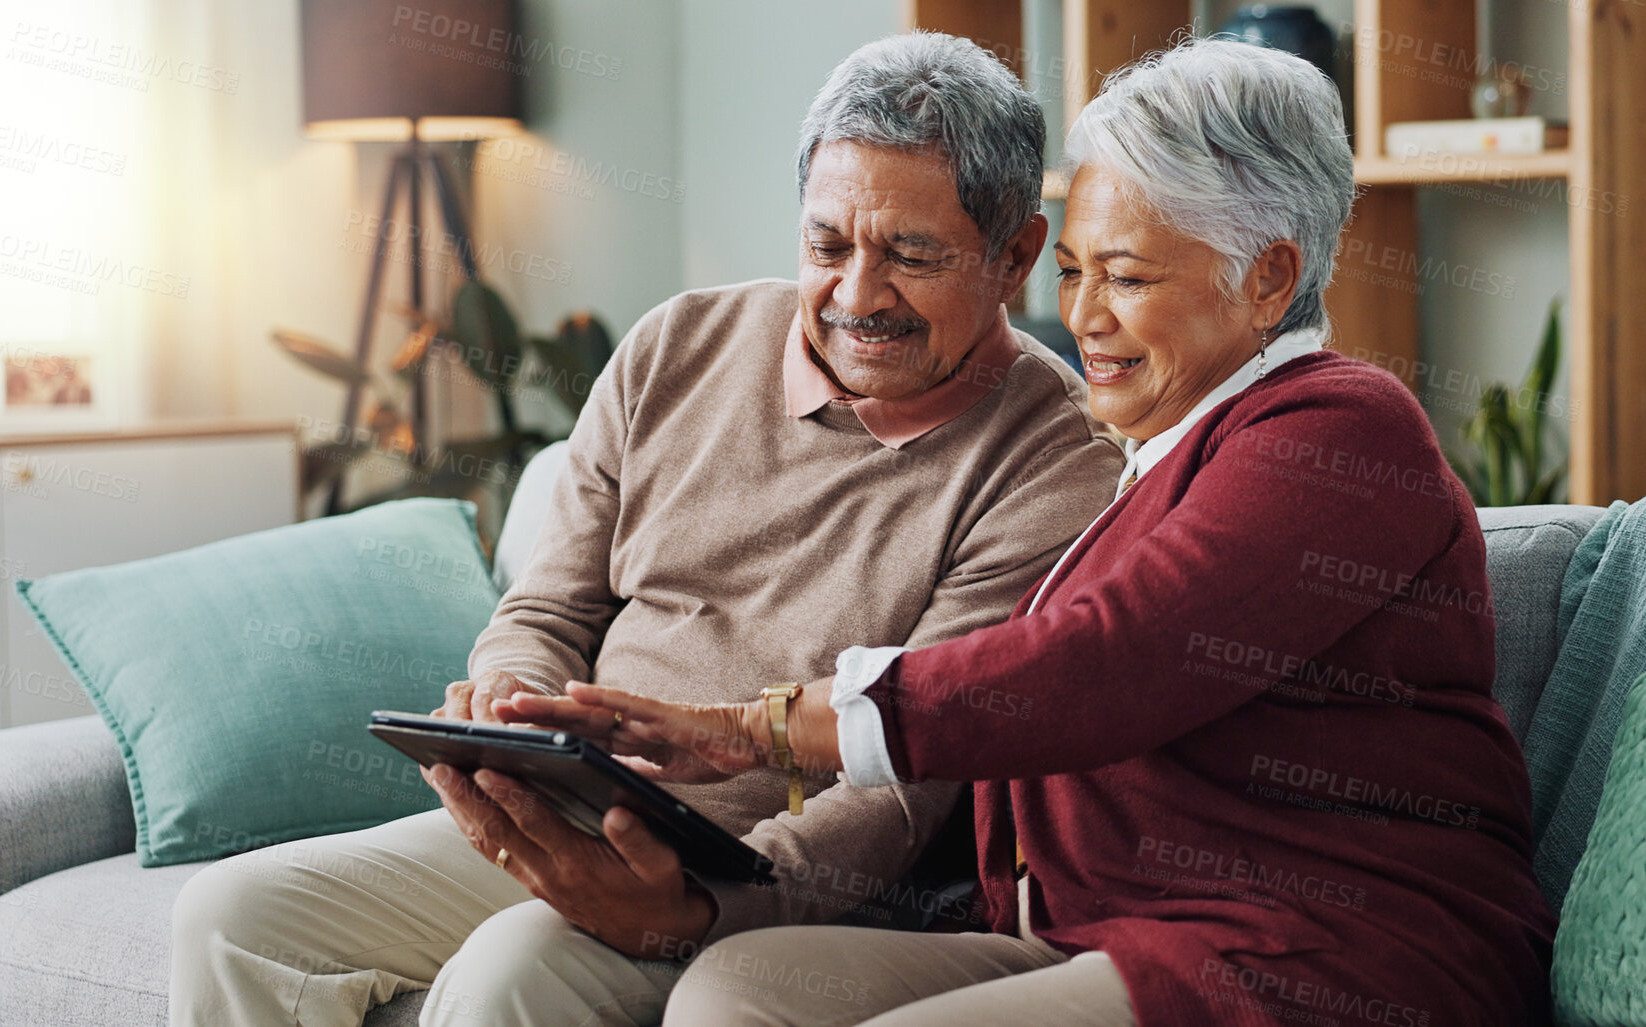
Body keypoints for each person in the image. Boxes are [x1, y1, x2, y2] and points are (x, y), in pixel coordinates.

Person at [500, 38, 1559, 1027]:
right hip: (1096, 932)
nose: (1085, 316)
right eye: (1077, 271)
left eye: (1130, 277)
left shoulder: (1339, 429)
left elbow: (1108, 661)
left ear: (1270, 279)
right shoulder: (1163, 460)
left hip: (1323, 948)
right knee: (741, 989)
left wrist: (759, 729)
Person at [167, 33, 1125, 1027]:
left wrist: (708, 902)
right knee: (229, 915)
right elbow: (549, 601)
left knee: (511, 975)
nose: (856, 296)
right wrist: (513, 693)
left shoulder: (1052, 460)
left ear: (1014, 254)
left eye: (912, 256)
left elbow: (908, 777)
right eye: (827, 245)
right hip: (570, 797)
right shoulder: (677, 345)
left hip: (761, 868)